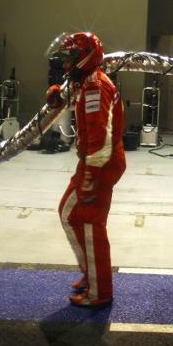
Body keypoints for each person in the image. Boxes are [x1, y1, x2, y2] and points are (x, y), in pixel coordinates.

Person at [45, 32, 126, 308]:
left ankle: (99, 291)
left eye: (70, 57)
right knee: (68, 213)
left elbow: (99, 135)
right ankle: (91, 273)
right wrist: (58, 98)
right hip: (94, 160)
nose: (66, 63)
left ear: (84, 58)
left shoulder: (95, 86)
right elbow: (76, 101)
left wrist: (91, 175)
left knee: (90, 224)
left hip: (99, 162)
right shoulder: (85, 81)